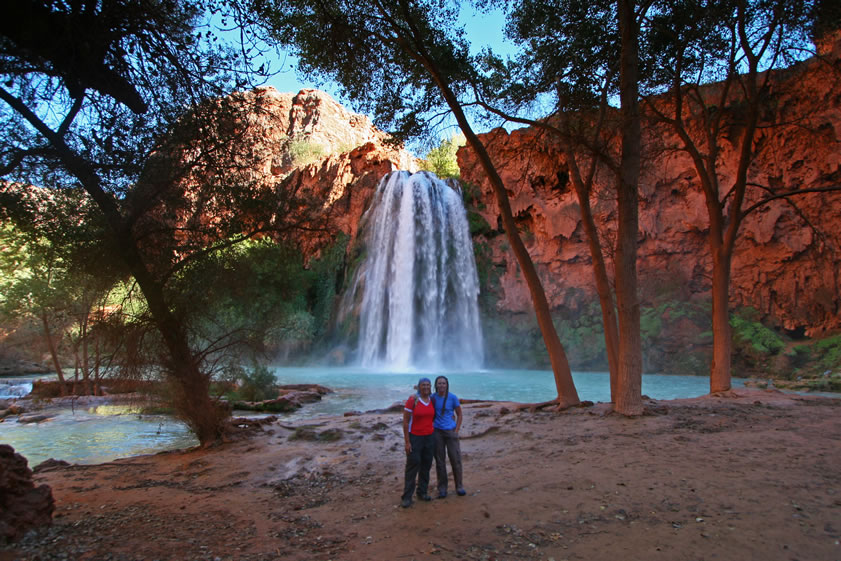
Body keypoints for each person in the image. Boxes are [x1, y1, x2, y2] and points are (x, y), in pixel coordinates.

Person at [401, 377, 435, 508]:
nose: (426, 387)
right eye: (423, 385)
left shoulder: (432, 399)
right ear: (419, 386)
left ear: (430, 386)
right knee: (412, 466)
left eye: (428, 385)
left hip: (429, 437)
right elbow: (405, 421)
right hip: (415, 437)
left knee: (426, 466)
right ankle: (407, 497)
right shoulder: (412, 400)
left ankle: (422, 492)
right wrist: (407, 442)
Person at [431, 375, 465, 498]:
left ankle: (459, 486)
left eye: (443, 383)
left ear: (447, 385)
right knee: (440, 461)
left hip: (450, 431)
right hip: (437, 432)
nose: (441, 385)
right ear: (436, 385)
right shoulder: (432, 398)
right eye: (439, 383)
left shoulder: (452, 398)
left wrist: (456, 430)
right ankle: (442, 489)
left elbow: (459, 414)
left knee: (455, 459)